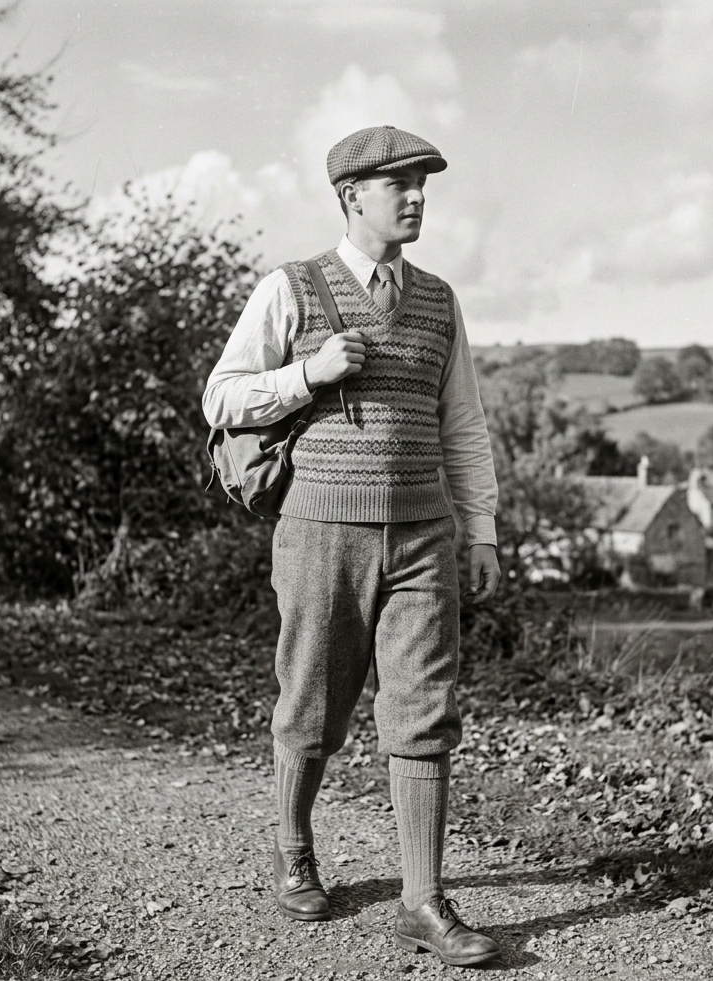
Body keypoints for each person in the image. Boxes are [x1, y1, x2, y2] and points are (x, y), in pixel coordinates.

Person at [203, 125, 500, 967]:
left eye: (421, 185)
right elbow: (219, 398)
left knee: (424, 709)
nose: (414, 198)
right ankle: (295, 848)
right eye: (397, 184)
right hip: (319, 532)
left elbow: (464, 425)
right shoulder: (291, 288)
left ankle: (424, 900)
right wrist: (309, 374)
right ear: (350, 196)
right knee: (310, 702)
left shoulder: (439, 300)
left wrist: (480, 530)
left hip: (421, 534)